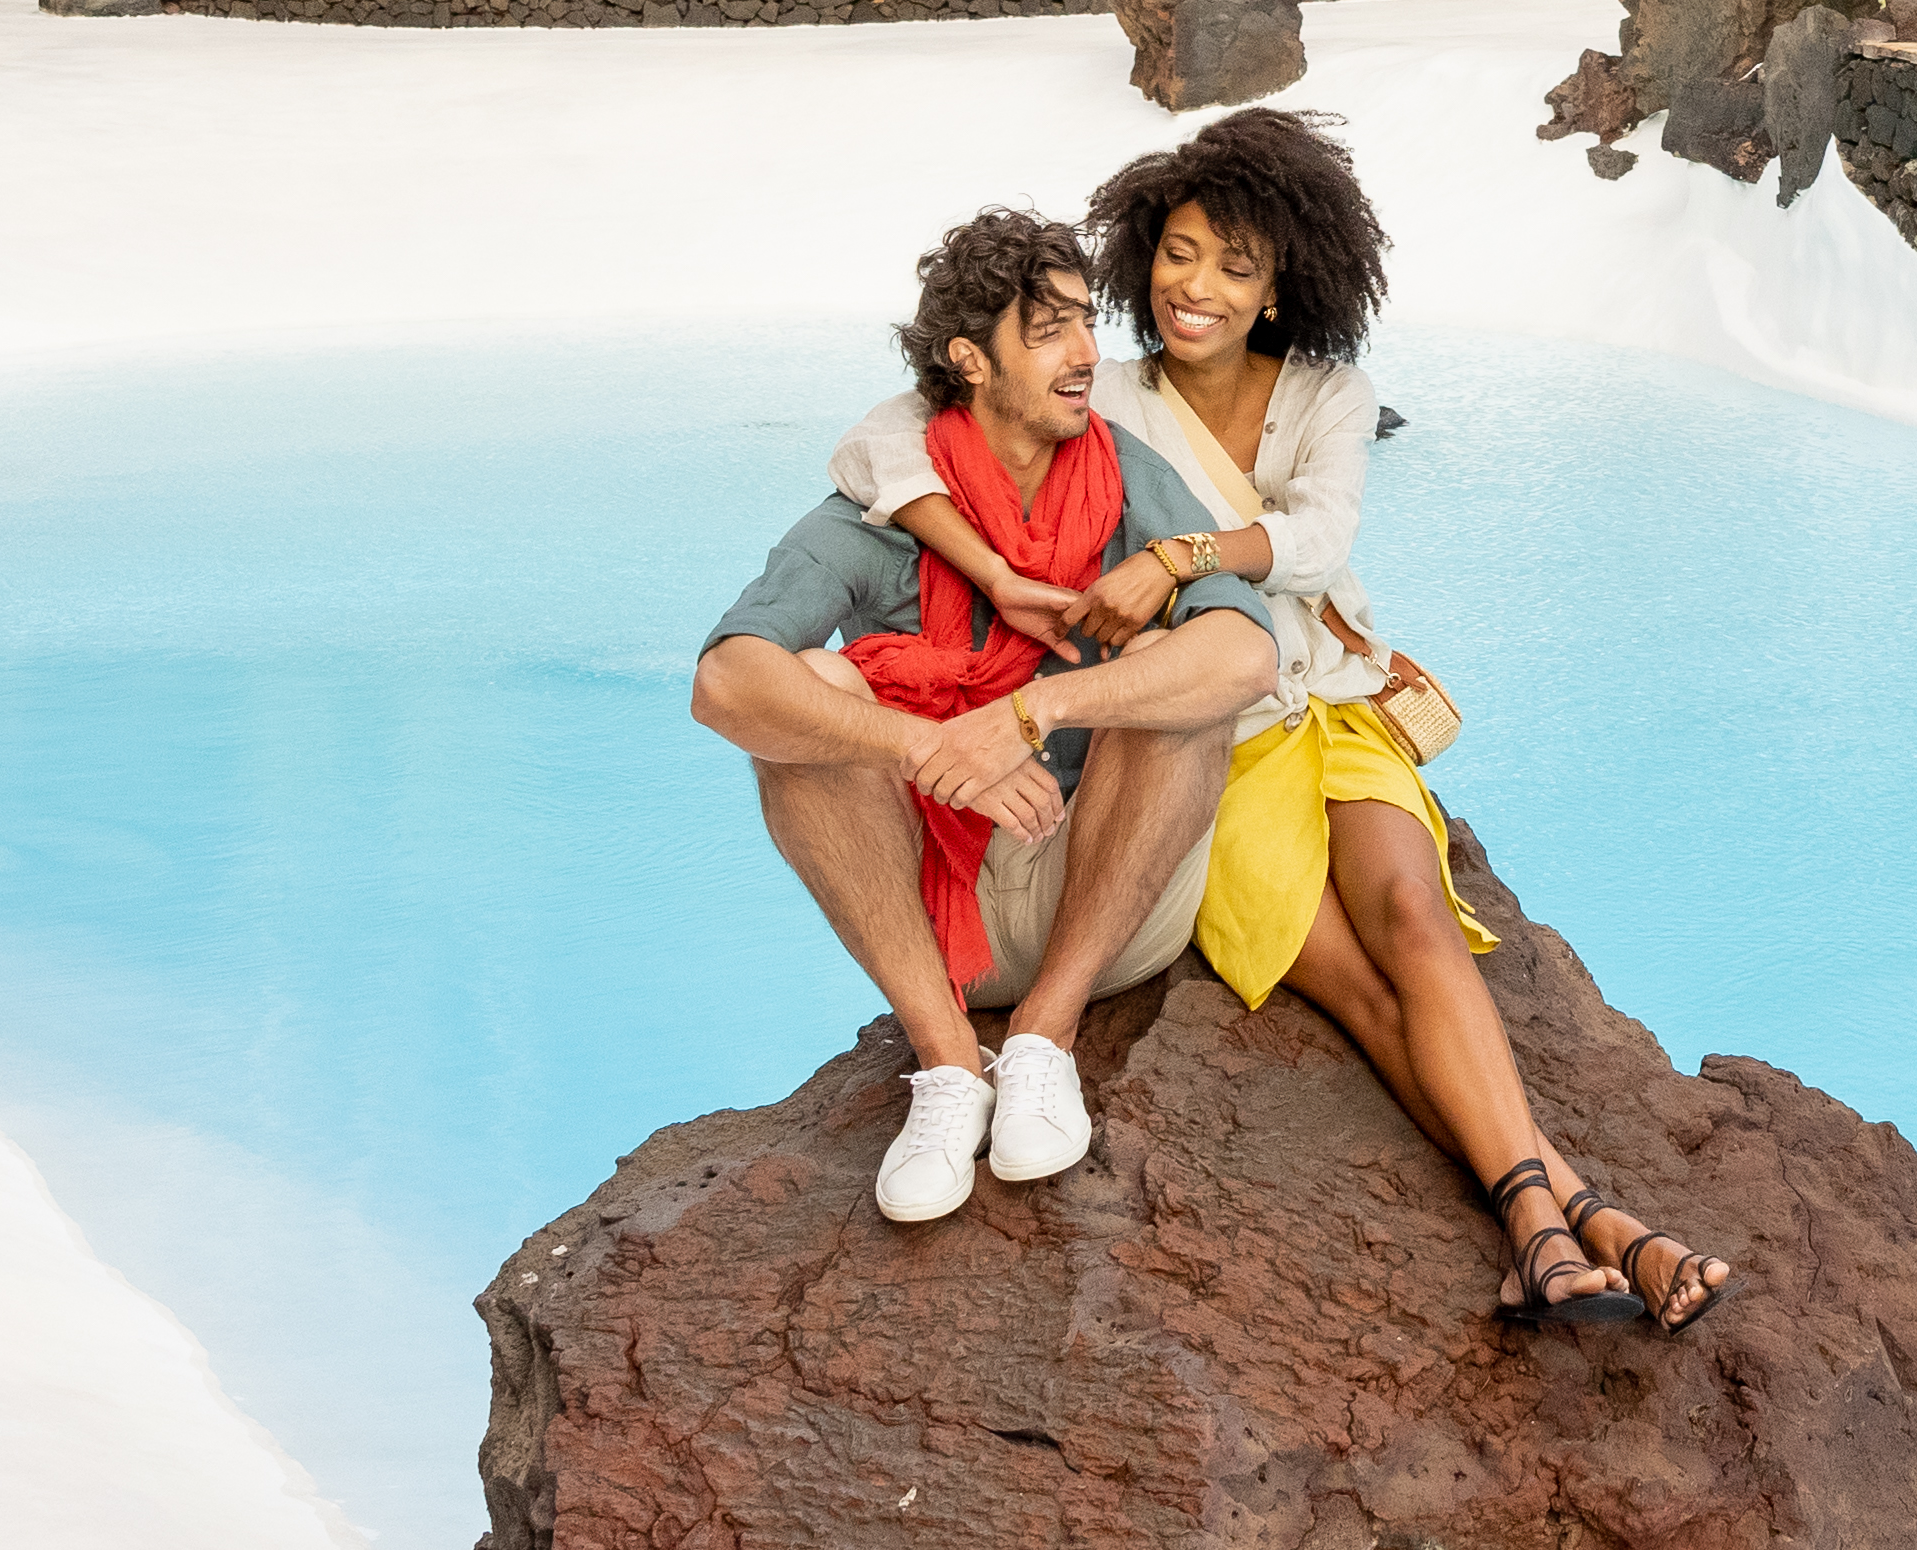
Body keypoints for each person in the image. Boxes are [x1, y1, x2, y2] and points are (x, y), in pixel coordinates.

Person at [834, 107, 1725, 1336]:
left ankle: (1559, 1223)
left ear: (1280, 289)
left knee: (1414, 916)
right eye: (1179, 251)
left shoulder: (1329, 394)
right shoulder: (1107, 395)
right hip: (1224, 732)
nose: (1193, 285)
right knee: (1357, 990)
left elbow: (1318, 540)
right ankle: (1564, 1214)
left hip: (1340, 703)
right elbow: (887, 435)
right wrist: (986, 572)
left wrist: (1181, 553)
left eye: (1234, 267)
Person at [690, 210, 1279, 1226]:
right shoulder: (880, 508)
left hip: (1101, 895)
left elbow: (1246, 653)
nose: (1086, 352)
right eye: (1047, 329)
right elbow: (725, 683)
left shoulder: (1130, 479)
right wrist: (919, 746)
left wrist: (1032, 709)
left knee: (1169, 671)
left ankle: (1045, 1040)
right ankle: (951, 1064)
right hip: (926, 916)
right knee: (808, 695)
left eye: (1086, 322)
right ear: (970, 358)